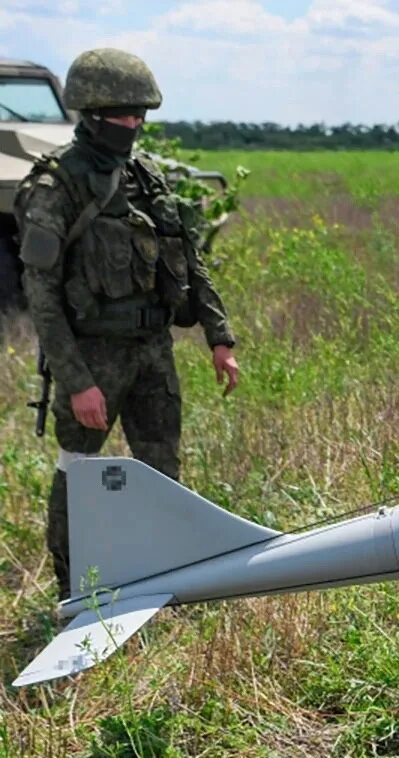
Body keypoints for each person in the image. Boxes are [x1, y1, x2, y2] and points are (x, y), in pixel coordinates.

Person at [14, 48, 239, 600]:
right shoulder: (54, 188)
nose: (134, 125)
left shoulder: (148, 176)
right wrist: (77, 381)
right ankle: (74, 592)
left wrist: (219, 336)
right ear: (91, 114)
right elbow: (41, 298)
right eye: (123, 114)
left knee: (163, 471)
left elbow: (188, 259)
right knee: (79, 475)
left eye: (140, 114)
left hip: (152, 353)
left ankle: (166, 582)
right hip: (93, 359)